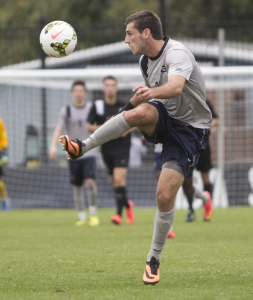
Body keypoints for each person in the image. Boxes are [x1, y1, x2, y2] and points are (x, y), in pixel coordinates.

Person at [59, 11, 214, 285]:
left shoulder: (177, 53)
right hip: (165, 117)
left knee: (165, 196)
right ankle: (81, 147)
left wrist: (148, 94)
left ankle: (153, 259)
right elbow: (145, 100)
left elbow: (176, 87)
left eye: (129, 33)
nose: (125, 39)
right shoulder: (145, 61)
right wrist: (126, 112)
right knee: (138, 114)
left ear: (145, 33)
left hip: (191, 130)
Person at [50, 80, 99, 227]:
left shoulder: (91, 108)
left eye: (81, 90)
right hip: (73, 154)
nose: (78, 93)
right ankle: (82, 216)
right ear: (72, 93)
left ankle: (93, 213)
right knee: (77, 186)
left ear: (85, 93)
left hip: (89, 151)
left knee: (90, 182)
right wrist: (53, 146)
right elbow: (59, 129)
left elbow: (101, 126)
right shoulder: (66, 110)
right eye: (76, 90)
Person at [87, 76, 134, 225]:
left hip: (122, 147)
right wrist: (105, 128)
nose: (110, 88)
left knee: (119, 179)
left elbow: (137, 122)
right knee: (115, 184)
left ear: (116, 88)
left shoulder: (124, 105)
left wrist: (127, 129)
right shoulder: (98, 106)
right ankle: (127, 205)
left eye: (112, 85)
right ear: (103, 89)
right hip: (106, 148)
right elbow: (89, 126)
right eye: (107, 85)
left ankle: (118, 215)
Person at [185, 99, 219, 222]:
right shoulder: (182, 100)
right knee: (187, 178)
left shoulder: (205, 102)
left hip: (203, 145)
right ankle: (190, 210)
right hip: (187, 145)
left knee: (206, 177)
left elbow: (216, 120)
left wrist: (204, 126)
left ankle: (208, 207)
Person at [154, 143, 176, 238]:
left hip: (176, 150)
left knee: (188, 187)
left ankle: (204, 198)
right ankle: (168, 228)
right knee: (163, 190)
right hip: (159, 150)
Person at [0, 118, 9, 212]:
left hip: (0, 152)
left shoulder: (0, 122)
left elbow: (4, 137)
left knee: (0, 183)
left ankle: (4, 201)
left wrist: (3, 153)